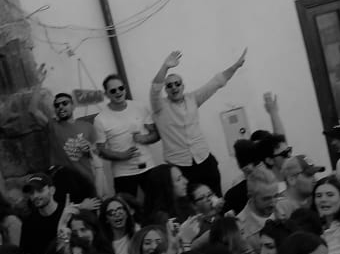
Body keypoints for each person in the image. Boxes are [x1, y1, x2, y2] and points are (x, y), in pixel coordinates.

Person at [149, 48, 247, 195]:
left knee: (216, 199)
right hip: (180, 167)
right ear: (166, 90)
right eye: (169, 85)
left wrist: (235, 66)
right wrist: (165, 66)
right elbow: (155, 88)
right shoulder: (159, 107)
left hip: (204, 160)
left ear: (183, 86)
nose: (174, 87)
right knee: (191, 204)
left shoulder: (192, 99)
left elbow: (216, 82)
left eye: (177, 84)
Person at [94, 73, 160, 206]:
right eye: (113, 90)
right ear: (106, 94)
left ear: (125, 88)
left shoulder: (140, 107)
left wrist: (144, 138)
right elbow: (100, 150)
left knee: (158, 206)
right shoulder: (100, 119)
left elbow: (156, 134)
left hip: (148, 167)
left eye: (121, 88)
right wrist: (121, 155)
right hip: (123, 173)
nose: (118, 92)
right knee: (126, 210)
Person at [43, 91, 106, 196]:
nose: (60, 107)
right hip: (64, 181)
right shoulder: (53, 126)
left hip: (87, 179)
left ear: (73, 106)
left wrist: (89, 149)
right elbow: (33, 111)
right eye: (57, 105)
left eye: (64, 103)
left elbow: (97, 153)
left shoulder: (87, 126)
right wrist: (38, 84)